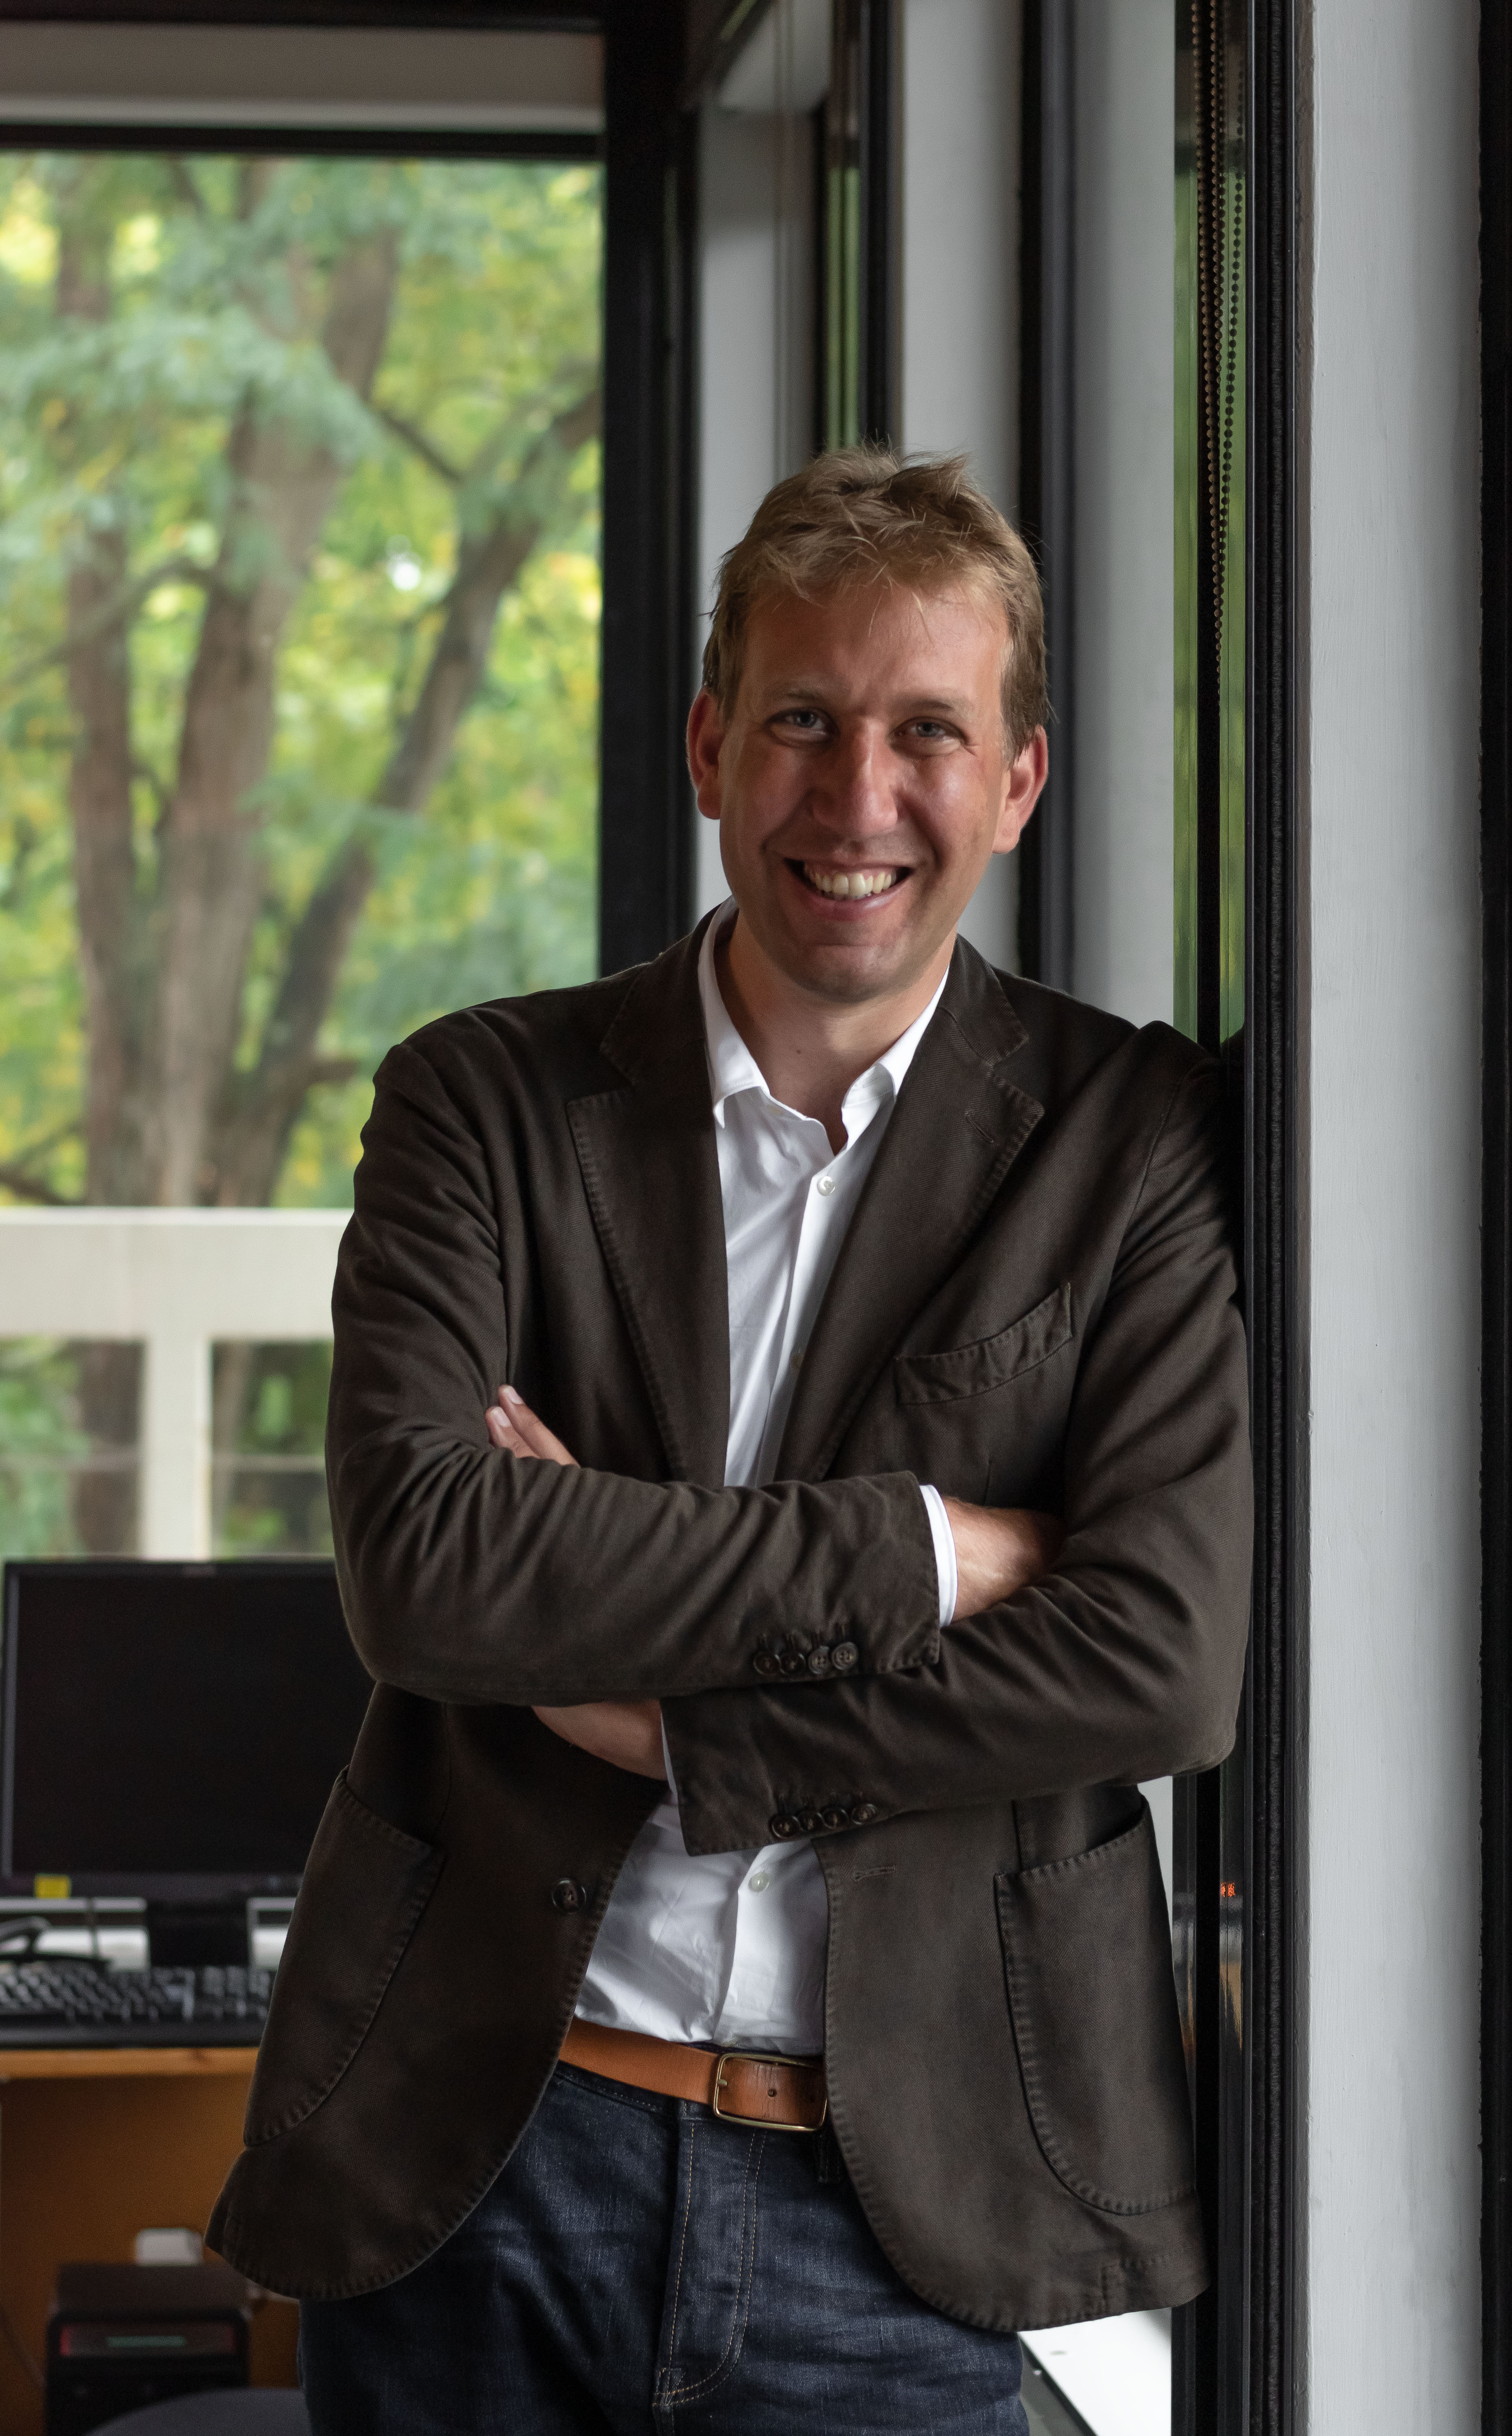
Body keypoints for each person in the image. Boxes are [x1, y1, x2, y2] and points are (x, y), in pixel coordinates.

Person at [209, 447, 1253, 2434]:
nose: (857, 799)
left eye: (927, 732)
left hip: (920, 2209)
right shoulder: (480, 1104)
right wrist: (937, 1555)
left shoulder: (1132, 1144)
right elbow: (428, 1569)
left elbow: (1156, 1659)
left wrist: (690, 1732)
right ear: (708, 746)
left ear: (1018, 781)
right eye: (801, 721)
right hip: (487, 2163)